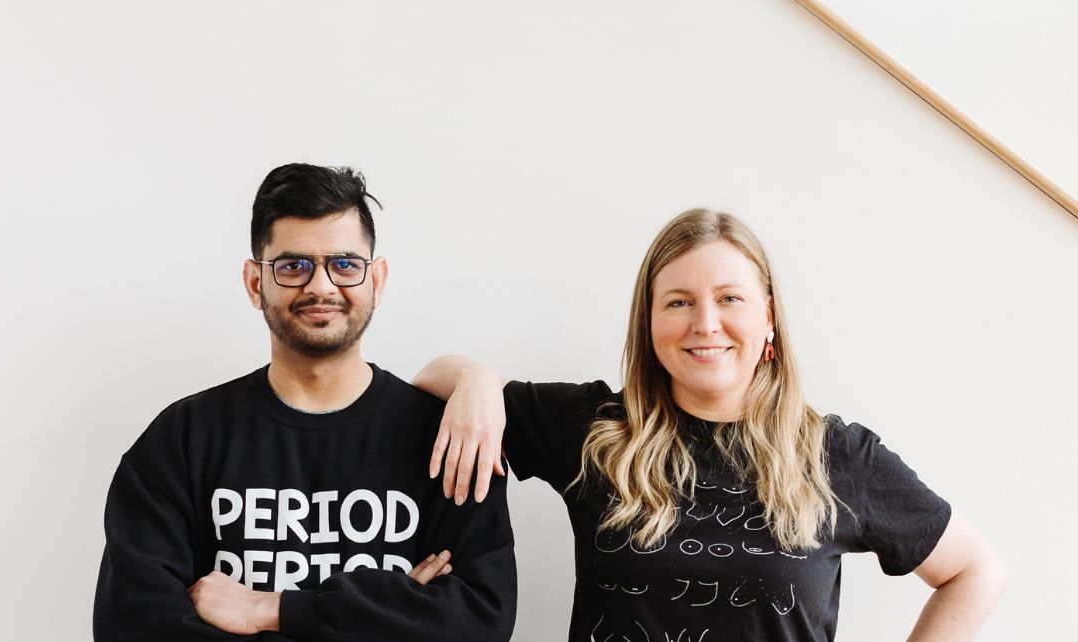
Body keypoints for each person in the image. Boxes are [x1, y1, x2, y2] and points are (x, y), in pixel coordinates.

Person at [415, 209, 1005, 641]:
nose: (705, 323)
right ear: (649, 322)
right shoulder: (594, 430)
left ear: (768, 318)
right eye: (678, 301)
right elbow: (427, 379)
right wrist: (478, 381)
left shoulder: (837, 457)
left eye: (729, 299)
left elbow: (975, 570)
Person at [93, 163, 516, 641]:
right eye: (293, 266)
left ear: (376, 279)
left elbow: (479, 624)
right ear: (256, 283)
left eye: (345, 264)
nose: (321, 286)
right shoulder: (183, 439)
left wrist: (269, 610)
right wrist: (390, 616)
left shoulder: (449, 437)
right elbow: (131, 626)